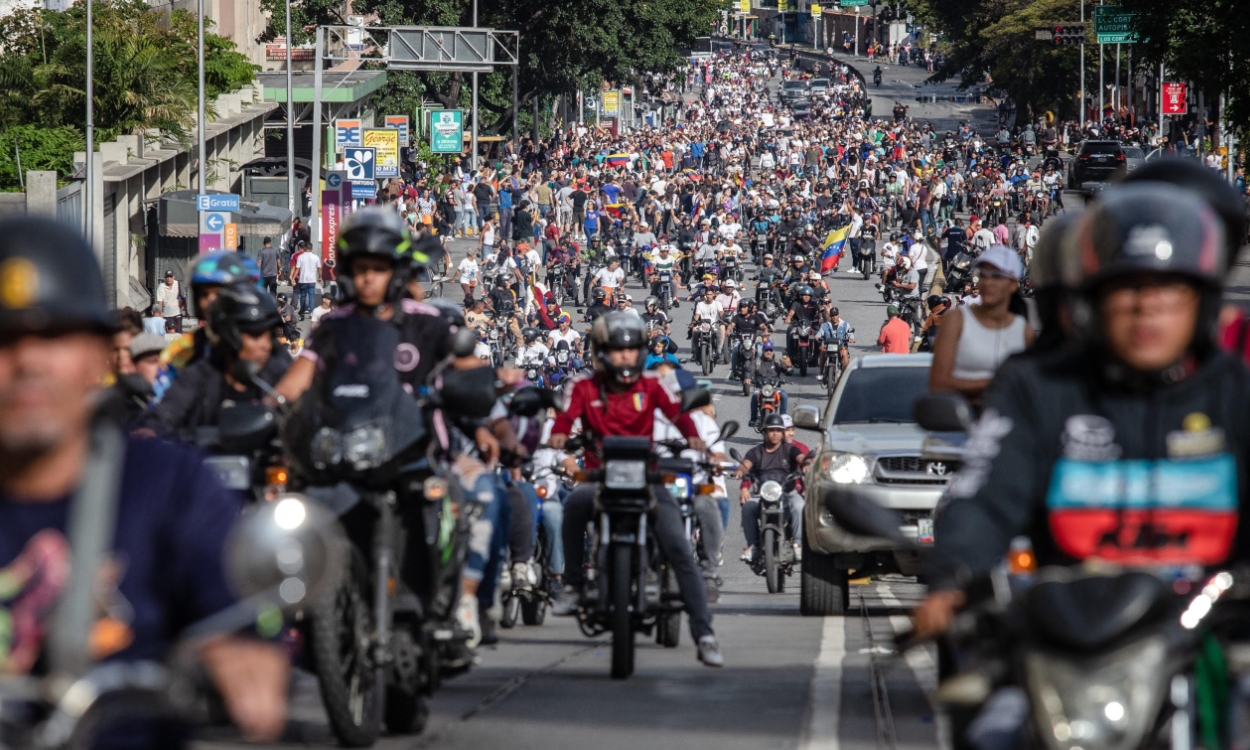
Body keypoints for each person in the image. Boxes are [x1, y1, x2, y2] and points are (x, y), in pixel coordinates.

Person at [0, 216, 287, 746]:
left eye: (55, 335)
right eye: (7, 339)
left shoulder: (172, 488)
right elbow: (164, 416)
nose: (29, 361)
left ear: (97, 355)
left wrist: (242, 655)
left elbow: (238, 622)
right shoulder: (193, 371)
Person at [912, 185, 1246, 641]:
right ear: (1089, 303)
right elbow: (986, 496)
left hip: (1210, 644)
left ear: (1202, 304)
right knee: (997, 714)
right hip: (1069, 637)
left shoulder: (1234, 392)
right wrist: (951, 577)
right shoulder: (1040, 388)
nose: (1146, 307)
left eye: (1168, 290)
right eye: (1125, 288)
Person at [547, 313, 723, 667]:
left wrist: (691, 433)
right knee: (573, 507)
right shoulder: (585, 387)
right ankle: (574, 583)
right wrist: (561, 434)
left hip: (648, 477)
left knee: (678, 546)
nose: (625, 357)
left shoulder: (651, 386)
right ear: (602, 352)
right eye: (617, 350)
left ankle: (704, 633)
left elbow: (677, 414)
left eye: (631, 350)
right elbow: (568, 418)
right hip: (599, 476)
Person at [142, 287, 289, 438]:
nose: (266, 345)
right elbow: (166, 412)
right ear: (230, 337)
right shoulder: (199, 376)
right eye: (256, 336)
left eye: (268, 337)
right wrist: (148, 432)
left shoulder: (279, 376)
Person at [928, 245, 1033, 405]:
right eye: (983, 275)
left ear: (1013, 284)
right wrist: (994, 384)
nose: (988, 282)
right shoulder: (956, 320)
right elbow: (938, 383)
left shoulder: (1024, 332)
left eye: (996, 276)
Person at [737, 414, 810, 564]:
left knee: (799, 506)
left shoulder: (790, 450)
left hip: (787, 493)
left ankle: (797, 543)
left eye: (778, 430)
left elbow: (800, 457)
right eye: (771, 430)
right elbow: (746, 465)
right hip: (762, 494)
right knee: (747, 508)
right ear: (765, 432)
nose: (775, 433)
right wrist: (741, 473)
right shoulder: (756, 452)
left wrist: (805, 464)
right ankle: (753, 546)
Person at [746, 342, 793, 427]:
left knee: (784, 395)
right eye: (766, 350)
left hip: (775, 388)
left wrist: (789, 366)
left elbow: (789, 372)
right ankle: (753, 418)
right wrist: (747, 377)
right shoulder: (757, 362)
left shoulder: (778, 362)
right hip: (761, 388)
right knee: (754, 396)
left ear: (773, 351)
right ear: (763, 351)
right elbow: (749, 370)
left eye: (770, 350)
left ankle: (783, 418)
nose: (768, 352)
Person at [294, 244, 321, 318]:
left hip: (303, 279)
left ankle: (302, 311)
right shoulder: (316, 257)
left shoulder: (300, 257)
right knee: (311, 296)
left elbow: (297, 269)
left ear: (305, 248)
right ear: (312, 248)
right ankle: (311, 312)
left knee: (303, 296)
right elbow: (319, 268)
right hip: (312, 280)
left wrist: (293, 277)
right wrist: (320, 277)